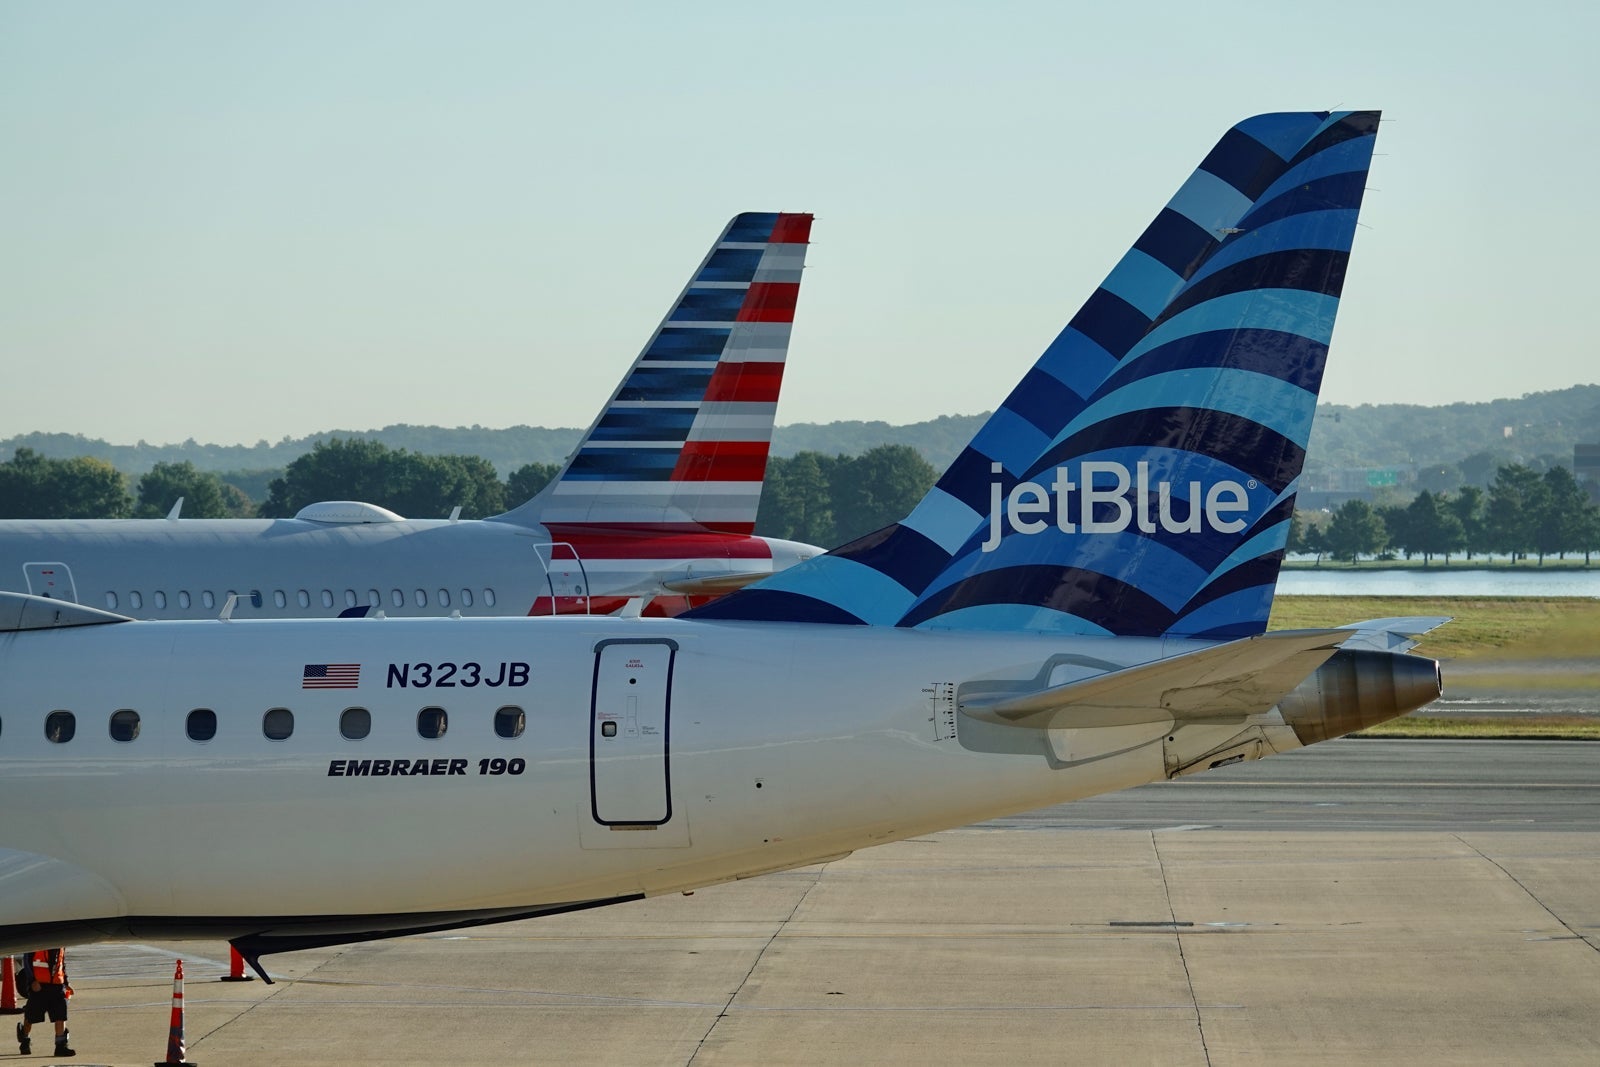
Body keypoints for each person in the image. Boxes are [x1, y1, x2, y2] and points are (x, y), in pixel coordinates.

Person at [15, 949, 73, 1058]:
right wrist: (32, 981)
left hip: (57, 984)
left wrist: (66, 982)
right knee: (32, 1016)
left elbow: (61, 962)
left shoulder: (61, 942)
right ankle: (25, 1038)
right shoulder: (39, 939)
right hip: (39, 985)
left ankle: (60, 1046)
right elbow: (27, 961)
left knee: (61, 1014)